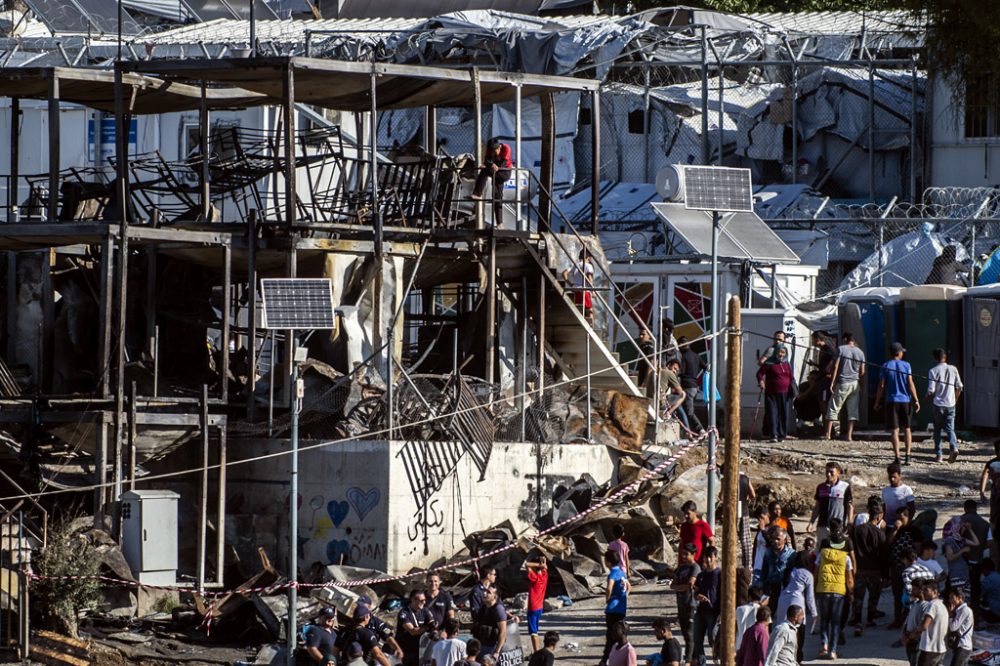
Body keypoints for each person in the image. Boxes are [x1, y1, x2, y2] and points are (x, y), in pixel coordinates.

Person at [874, 342, 922, 465]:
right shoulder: (906, 365)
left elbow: (881, 385)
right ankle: (908, 456)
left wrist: (877, 401)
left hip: (891, 401)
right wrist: (916, 400)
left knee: (894, 430)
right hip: (905, 401)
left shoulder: (885, 366)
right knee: (907, 428)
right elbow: (910, 384)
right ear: (899, 353)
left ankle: (897, 457)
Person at [816, 520, 855, 660]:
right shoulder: (846, 558)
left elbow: (816, 570)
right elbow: (849, 579)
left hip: (823, 589)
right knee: (836, 622)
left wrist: (815, 587)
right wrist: (851, 592)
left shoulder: (823, 552)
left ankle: (824, 645)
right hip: (839, 591)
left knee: (824, 619)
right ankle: (832, 651)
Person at [850, 496, 886, 635]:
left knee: (858, 598)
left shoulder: (858, 530)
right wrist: (885, 573)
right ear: (879, 516)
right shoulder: (879, 534)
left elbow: (851, 549)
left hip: (859, 569)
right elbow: (883, 554)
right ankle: (870, 619)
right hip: (874, 570)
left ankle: (857, 621)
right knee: (873, 596)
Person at [824, 332, 866, 441]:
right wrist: (859, 381)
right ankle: (849, 436)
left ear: (845, 339)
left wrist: (832, 382)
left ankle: (828, 434)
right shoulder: (860, 352)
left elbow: (836, 366)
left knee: (833, 407)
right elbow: (862, 371)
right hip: (855, 383)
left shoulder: (841, 349)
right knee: (852, 411)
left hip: (843, 382)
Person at [926, 348, 964, 463]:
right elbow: (959, 387)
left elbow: (931, 391)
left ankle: (939, 455)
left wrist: (926, 399)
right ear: (945, 357)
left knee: (937, 429)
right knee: (950, 428)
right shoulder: (953, 369)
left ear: (935, 358)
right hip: (951, 404)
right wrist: (955, 399)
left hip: (938, 404)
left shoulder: (933, 371)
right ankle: (954, 447)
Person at [807, 461, 854, 546]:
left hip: (838, 526)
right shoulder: (821, 487)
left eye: (831, 472)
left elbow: (849, 506)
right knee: (821, 551)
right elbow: (817, 506)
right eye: (827, 472)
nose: (828, 474)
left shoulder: (845, 487)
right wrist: (811, 522)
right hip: (822, 526)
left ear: (838, 473)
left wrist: (850, 522)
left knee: (837, 549)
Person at [755, 346, 795, 443]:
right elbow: (759, 374)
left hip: (785, 393)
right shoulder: (769, 363)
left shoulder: (786, 364)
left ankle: (782, 435)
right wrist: (761, 382)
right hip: (771, 393)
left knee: (783, 414)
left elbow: (791, 377)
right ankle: (773, 435)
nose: (781, 355)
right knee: (772, 413)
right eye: (779, 352)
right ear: (776, 353)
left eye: (783, 353)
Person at [958, 500, 991, 614]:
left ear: (965, 508)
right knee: (975, 589)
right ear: (976, 509)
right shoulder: (985, 524)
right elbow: (989, 543)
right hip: (977, 560)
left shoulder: (958, 521)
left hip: (961, 561)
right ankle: (975, 616)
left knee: (959, 588)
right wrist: (980, 549)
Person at [671, 542, 701, 665]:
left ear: (693, 554)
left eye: (686, 554)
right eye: (682, 553)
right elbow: (673, 585)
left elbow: (690, 585)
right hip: (681, 605)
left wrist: (681, 586)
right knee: (685, 633)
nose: (683, 556)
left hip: (691, 605)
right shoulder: (681, 568)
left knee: (690, 635)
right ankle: (693, 658)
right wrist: (681, 587)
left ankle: (688, 661)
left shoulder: (695, 568)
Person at [691, 547, 721, 666]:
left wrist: (722, 613)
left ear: (715, 558)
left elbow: (726, 595)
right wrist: (698, 597)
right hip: (701, 611)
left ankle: (717, 656)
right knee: (697, 639)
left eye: (710, 557)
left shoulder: (720, 574)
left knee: (712, 637)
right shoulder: (701, 575)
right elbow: (695, 592)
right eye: (706, 557)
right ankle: (701, 662)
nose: (708, 560)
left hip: (714, 612)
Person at [471, 137, 513, 222]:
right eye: (492, 152)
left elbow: (502, 164)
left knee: (485, 171)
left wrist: (490, 166)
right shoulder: (489, 150)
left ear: (499, 147)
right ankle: (499, 223)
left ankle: (477, 193)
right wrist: (490, 165)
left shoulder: (506, 148)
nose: (494, 154)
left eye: (495, 151)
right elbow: (486, 161)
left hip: (505, 172)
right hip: (495, 171)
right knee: (497, 196)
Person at [601, 550, 631, 666]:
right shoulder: (622, 572)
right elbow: (629, 587)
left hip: (613, 609)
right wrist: (624, 596)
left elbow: (609, 587)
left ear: (607, 562)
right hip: (621, 608)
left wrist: (608, 599)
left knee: (610, 635)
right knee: (620, 634)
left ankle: (604, 660)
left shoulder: (612, 573)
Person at [755, 527, 794, 615]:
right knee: (768, 613)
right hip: (769, 588)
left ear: (784, 540)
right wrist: (761, 584)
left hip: (783, 588)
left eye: (778, 539)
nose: (775, 541)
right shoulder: (768, 552)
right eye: (774, 539)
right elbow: (764, 570)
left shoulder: (791, 554)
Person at [907, 581, 948, 666]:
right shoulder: (942, 605)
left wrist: (912, 635)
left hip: (930, 649)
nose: (923, 592)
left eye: (926, 590)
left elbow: (924, 626)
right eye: (923, 590)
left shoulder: (932, 605)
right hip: (940, 649)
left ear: (935, 592)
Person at [396, 589, 436, 666]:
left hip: (420, 649)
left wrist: (433, 628)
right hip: (406, 650)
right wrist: (427, 628)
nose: (424, 602)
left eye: (425, 600)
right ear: (413, 600)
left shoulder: (425, 610)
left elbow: (432, 624)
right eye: (421, 600)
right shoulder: (404, 613)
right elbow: (413, 631)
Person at [477, 587, 515, 663]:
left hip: (493, 647)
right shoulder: (484, 608)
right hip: (483, 644)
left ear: (495, 597)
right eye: (485, 591)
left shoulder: (498, 609)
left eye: (488, 592)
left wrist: (497, 652)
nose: (484, 593)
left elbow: (503, 632)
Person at [944, 522, 980, 598]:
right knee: (958, 599)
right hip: (956, 574)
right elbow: (950, 558)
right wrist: (962, 550)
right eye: (961, 525)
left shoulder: (961, 540)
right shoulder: (950, 540)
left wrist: (970, 530)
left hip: (964, 574)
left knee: (966, 599)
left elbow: (976, 543)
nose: (963, 527)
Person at [679, 338, 707, 433]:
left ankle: (700, 430)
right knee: (685, 410)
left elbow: (681, 372)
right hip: (695, 387)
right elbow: (705, 367)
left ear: (682, 344)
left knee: (689, 412)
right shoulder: (696, 356)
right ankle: (687, 431)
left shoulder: (684, 356)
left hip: (687, 387)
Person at [562, 249, 596, 323]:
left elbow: (564, 273)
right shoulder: (588, 266)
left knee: (579, 309)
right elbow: (590, 279)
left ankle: (579, 323)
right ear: (588, 257)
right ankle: (592, 327)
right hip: (584, 289)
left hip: (576, 289)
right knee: (589, 309)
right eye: (590, 257)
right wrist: (593, 291)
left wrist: (570, 284)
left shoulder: (575, 265)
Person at [525, 554, 550, 653]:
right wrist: (542, 564)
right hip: (539, 607)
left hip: (533, 607)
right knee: (536, 630)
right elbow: (544, 568)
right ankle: (538, 650)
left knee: (533, 632)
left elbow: (526, 564)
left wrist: (539, 564)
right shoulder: (544, 575)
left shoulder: (534, 578)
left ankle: (537, 653)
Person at [902, 580, 929, 666]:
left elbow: (922, 624)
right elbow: (907, 620)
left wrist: (911, 636)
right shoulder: (914, 604)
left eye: (914, 589)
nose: (912, 591)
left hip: (916, 640)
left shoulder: (926, 605)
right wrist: (904, 634)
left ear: (921, 590)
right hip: (909, 639)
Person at [659, 358, 691, 431]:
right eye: (674, 368)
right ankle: (668, 413)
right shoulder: (669, 373)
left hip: (654, 398)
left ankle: (687, 430)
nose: (674, 371)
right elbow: (680, 392)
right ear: (669, 365)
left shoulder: (659, 370)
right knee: (683, 395)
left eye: (676, 371)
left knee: (678, 405)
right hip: (660, 402)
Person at [979, 440, 1000, 547]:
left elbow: (984, 476)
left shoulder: (992, 463)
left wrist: (982, 492)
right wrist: (982, 492)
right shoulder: (992, 463)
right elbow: (985, 476)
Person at [946, 588, 973, 666]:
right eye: (949, 597)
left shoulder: (964, 610)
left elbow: (953, 627)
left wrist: (951, 615)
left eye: (952, 597)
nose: (950, 600)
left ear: (960, 597)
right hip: (961, 646)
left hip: (963, 646)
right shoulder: (959, 610)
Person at [735, 586, 767, 654]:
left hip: (740, 643)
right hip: (756, 645)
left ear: (749, 597)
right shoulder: (764, 611)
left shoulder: (739, 609)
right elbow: (766, 630)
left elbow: (735, 627)